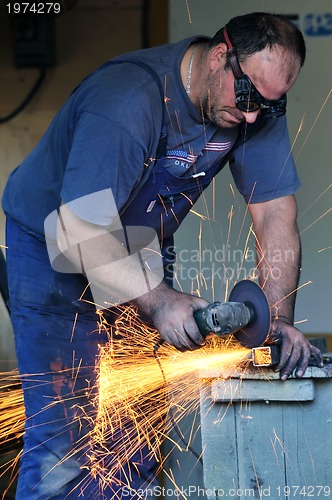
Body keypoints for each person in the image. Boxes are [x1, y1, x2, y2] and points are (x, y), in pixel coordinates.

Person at [2, 11, 323, 499]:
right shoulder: (128, 102)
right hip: (55, 245)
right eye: (251, 97)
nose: (256, 116)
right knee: (66, 439)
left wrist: (275, 319)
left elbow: (275, 215)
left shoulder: (255, 108)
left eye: (271, 106)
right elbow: (82, 229)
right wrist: (159, 301)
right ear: (221, 57)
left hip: (137, 240)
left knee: (134, 433)